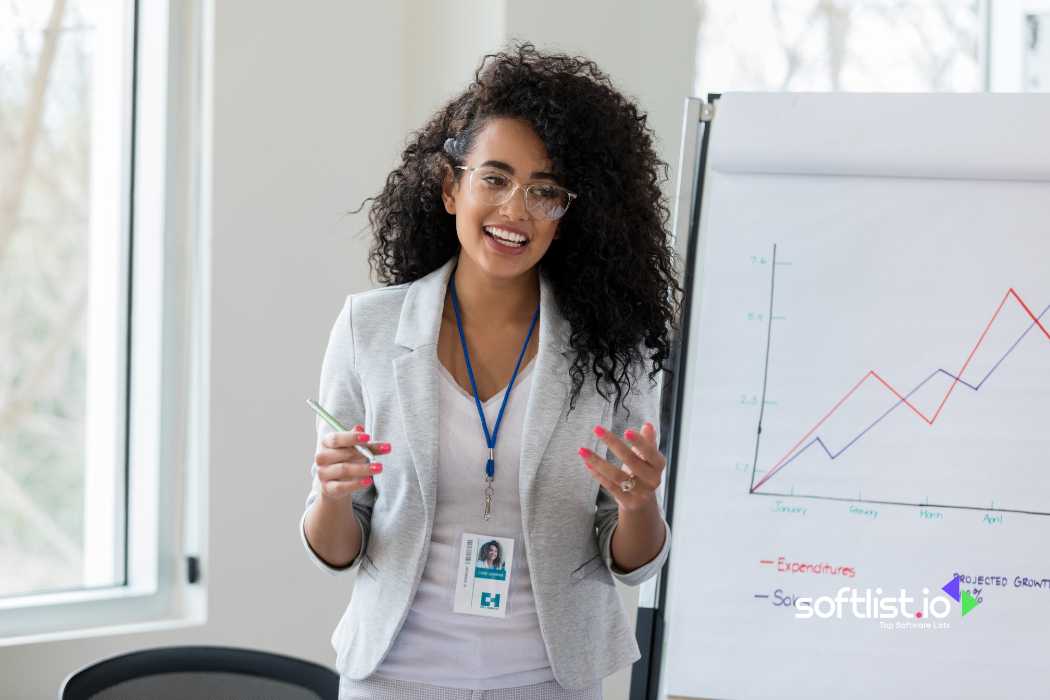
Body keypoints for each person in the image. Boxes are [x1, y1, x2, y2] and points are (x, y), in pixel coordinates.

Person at [300, 41, 683, 700]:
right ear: (451, 188)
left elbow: (630, 562)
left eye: (546, 192)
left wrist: (638, 503)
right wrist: (333, 495)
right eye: (495, 179)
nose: (515, 211)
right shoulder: (370, 329)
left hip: (550, 682)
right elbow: (338, 548)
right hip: (393, 679)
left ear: (567, 218)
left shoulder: (611, 349)